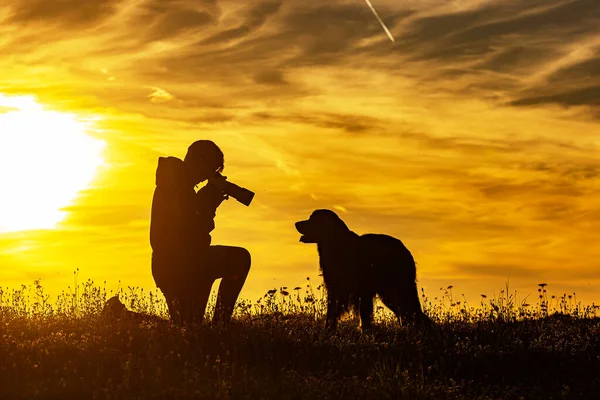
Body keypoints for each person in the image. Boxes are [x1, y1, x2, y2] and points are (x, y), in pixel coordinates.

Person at [150, 140, 251, 324]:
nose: (207, 178)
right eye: (210, 170)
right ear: (199, 161)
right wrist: (210, 196)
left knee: (188, 326)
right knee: (240, 259)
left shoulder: (175, 182)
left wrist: (209, 199)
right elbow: (192, 228)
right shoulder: (177, 182)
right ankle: (221, 325)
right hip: (185, 265)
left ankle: (122, 316)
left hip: (177, 265)